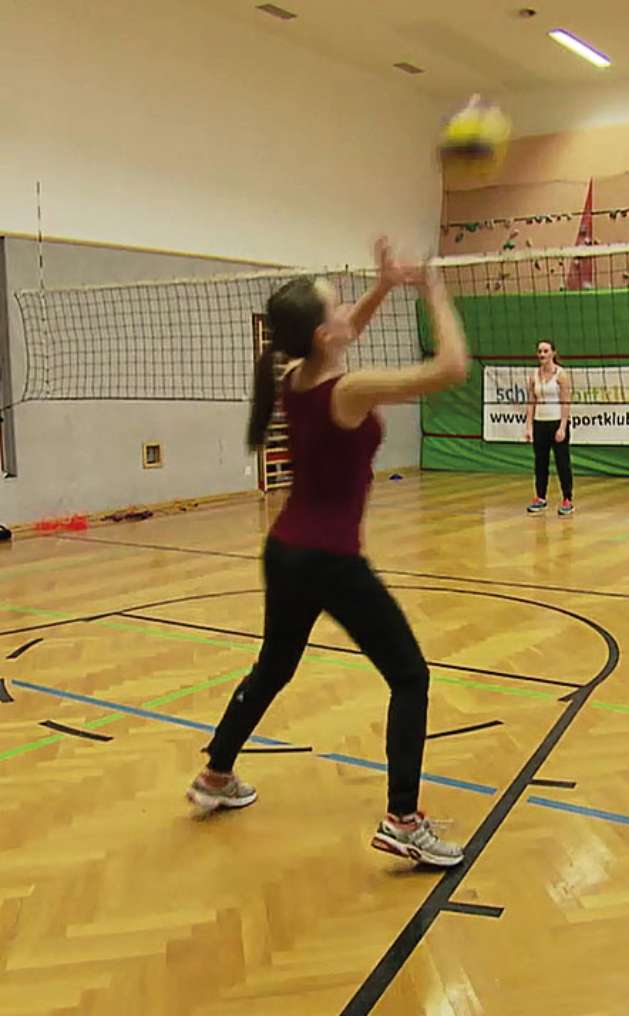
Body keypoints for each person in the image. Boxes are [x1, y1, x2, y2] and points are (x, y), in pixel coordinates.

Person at [186, 238, 470, 868]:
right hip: (330, 560)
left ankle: (215, 775)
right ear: (321, 334)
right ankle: (403, 819)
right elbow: (452, 368)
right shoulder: (351, 388)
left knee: (274, 668)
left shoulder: (292, 375)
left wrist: (382, 287)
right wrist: (433, 290)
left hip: (284, 551)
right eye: (339, 309)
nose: (349, 317)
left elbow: (339, 337)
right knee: (411, 677)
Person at [524, 340, 573, 516]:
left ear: (553, 353)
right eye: (539, 351)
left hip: (557, 422)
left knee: (562, 462)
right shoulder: (533, 376)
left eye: (545, 351)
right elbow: (531, 402)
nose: (542, 354)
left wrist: (562, 427)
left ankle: (567, 499)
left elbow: (566, 401)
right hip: (540, 423)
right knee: (540, 462)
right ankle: (540, 497)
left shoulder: (561, 375)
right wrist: (529, 426)